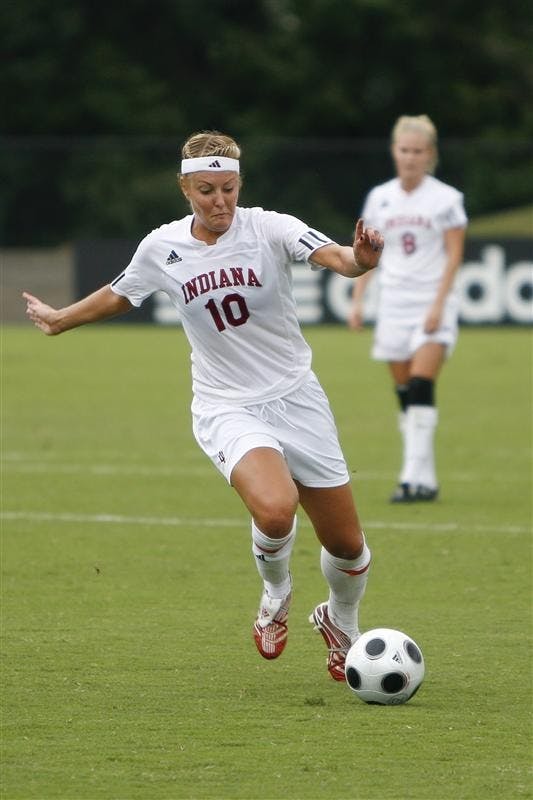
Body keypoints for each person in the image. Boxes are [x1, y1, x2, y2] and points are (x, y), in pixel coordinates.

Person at [23, 130, 384, 682]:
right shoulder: (162, 247)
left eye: (229, 189)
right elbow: (124, 292)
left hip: (296, 398)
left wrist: (358, 262)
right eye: (207, 190)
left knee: (348, 547)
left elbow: (332, 255)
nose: (220, 202)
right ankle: (276, 594)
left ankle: (340, 621)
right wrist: (59, 319)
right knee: (274, 507)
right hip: (226, 406)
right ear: (185, 188)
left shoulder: (269, 227)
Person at [348, 115, 467, 503]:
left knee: (420, 384)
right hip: (394, 303)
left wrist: (438, 305)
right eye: (404, 150)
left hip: (432, 303)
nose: (411, 158)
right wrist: (358, 300)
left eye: (418, 151)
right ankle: (424, 478)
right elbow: (367, 254)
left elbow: (453, 257)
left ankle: (412, 479)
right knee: (404, 393)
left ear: (430, 154)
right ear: (394, 151)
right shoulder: (380, 197)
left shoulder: (446, 199)